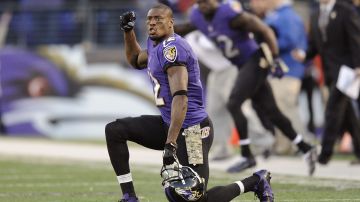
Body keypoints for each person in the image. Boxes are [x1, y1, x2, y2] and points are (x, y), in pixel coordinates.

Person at [105, 4, 274, 202]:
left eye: (158, 19)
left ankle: (255, 181)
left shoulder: (173, 49)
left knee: (193, 199)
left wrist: (170, 143)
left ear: (171, 22)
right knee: (115, 130)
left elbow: (181, 98)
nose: (152, 23)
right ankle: (129, 197)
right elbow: (135, 60)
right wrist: (128, 31)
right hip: (172, 124)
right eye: (149, 19)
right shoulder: (155, 43)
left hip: (193, 130)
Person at [174, 0, 317, 174]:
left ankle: (247, 155)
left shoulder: (228, 13)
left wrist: (276, 57)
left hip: (255, 60)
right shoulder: (198, 16)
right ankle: (306, 148)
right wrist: (165, 30)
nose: (203, 3)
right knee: (272, 112)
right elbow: (187, 27)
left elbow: (264, 30)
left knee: (233, 103)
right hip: (242, 65)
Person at [293, 0, 360, 165]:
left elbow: (356, 38)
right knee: (347, 116)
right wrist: (304, 55)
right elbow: (316, 46)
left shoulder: (345, 10)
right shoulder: (316, 15)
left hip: (348, 72)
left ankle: (324, 155)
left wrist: (358, 65)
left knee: (332, 110)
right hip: (330, 72)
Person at [249, 0, 312, 154]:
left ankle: (304, 142)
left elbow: (290, 41)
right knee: (279, 109)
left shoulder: (287, 16)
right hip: (278, 71)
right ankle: (286, 146)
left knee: (286, 108)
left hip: (288, 70)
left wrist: (264, 43)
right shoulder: (276, 15)